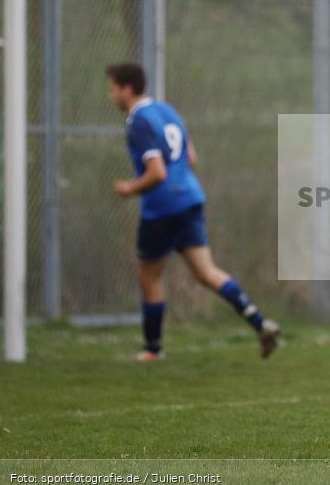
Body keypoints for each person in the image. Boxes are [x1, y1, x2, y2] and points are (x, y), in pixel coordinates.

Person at [107, 62, 280, 361]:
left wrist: (129, 189)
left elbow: (157, 172)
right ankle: (260, 322)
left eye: (112, 89)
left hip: (161, 208)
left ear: (127, 88)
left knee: (149, 277)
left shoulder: (137, 121)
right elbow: (191, 156)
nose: (111, 96)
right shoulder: (167, 111)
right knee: (205, 271)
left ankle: (152, 349)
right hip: (190, 198)